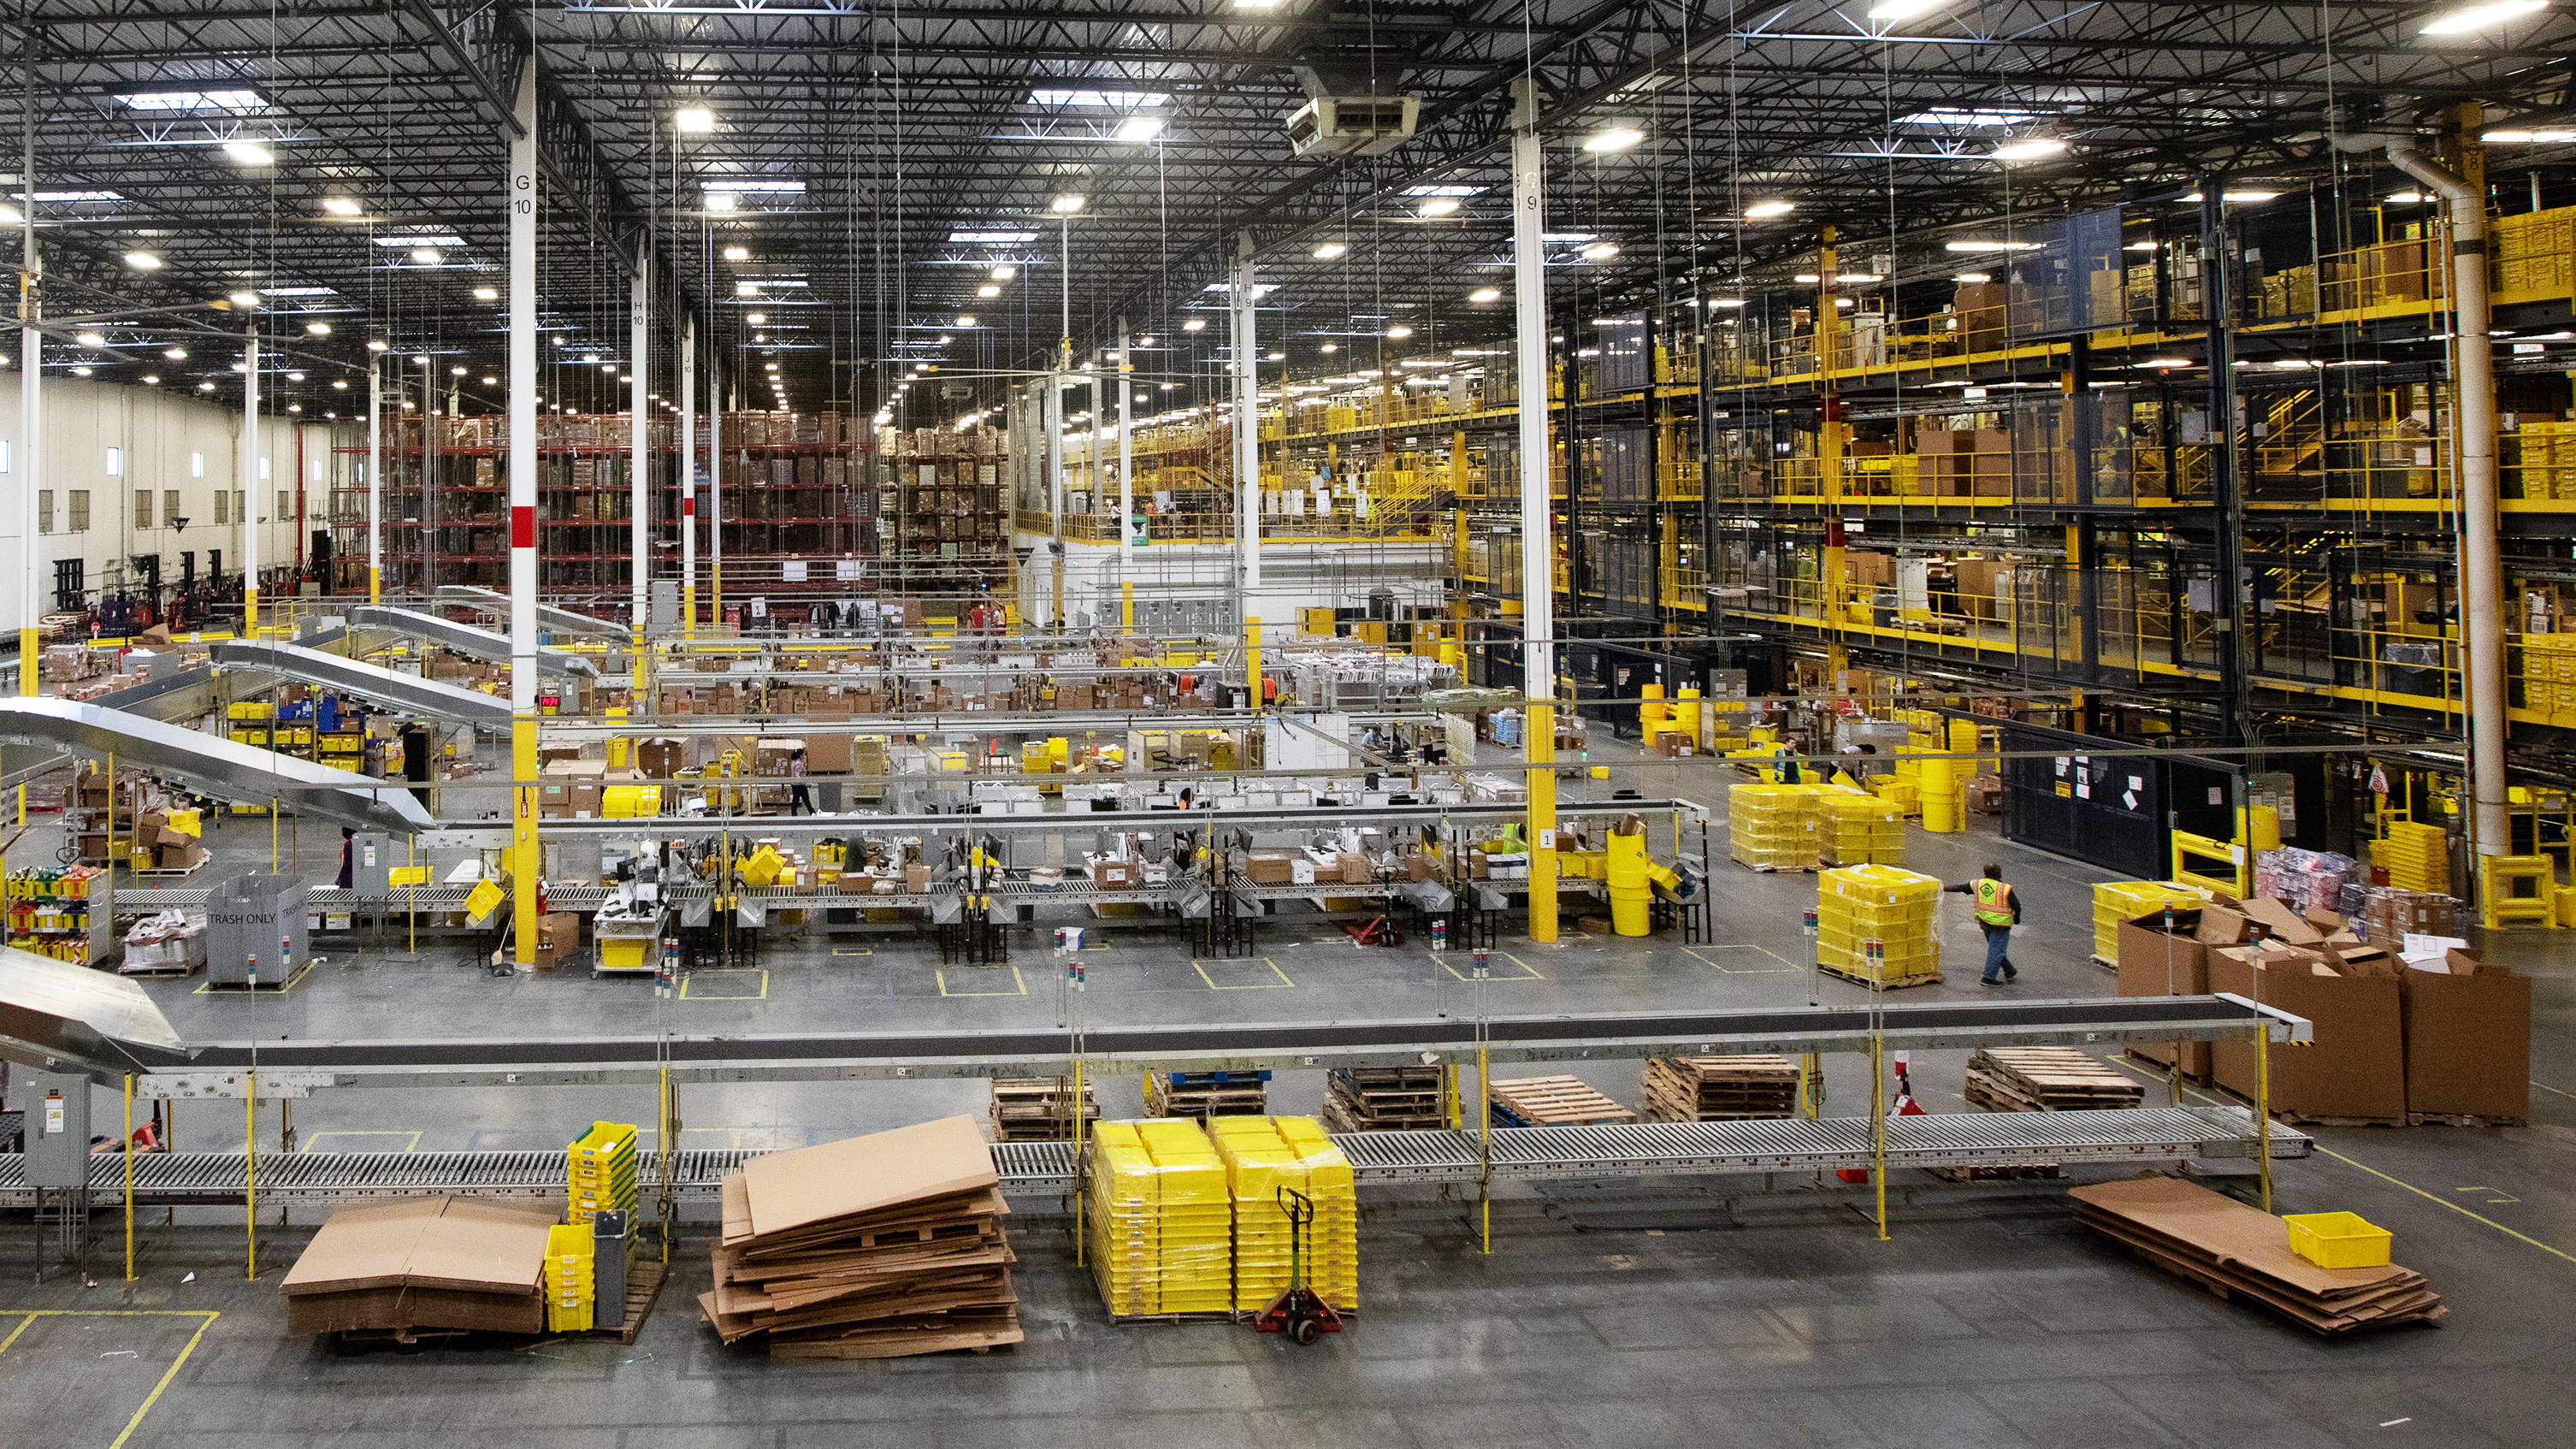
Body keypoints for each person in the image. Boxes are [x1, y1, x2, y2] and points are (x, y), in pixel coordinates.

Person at [1945, 863, 2020, 985]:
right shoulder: (2005, 888)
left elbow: (1960, 887)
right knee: (1996, 951)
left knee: (1996, 949)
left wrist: (1943, 888)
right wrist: (2017, 918)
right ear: (1998, 873)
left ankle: (2009, 970)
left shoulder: (1977, 883)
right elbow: (2016, 905)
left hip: (1985, 923)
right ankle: (1988, 978)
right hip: (2000, 925)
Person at [788, 748, 814, 816]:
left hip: (794, 784)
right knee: (806, 799)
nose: (804, 756)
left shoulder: (793, 761)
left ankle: (794, 814)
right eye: (803, 754)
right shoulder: (798, 764)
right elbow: (797, 775)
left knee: (795, 799)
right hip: (800, 784)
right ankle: (812, 813)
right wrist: (804, 782)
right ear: (800, 755)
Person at [337, 826, 357, 890]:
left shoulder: (349, 844)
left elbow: (347, 863)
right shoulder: (355, 842)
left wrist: (340, 877)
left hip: (348, 876)